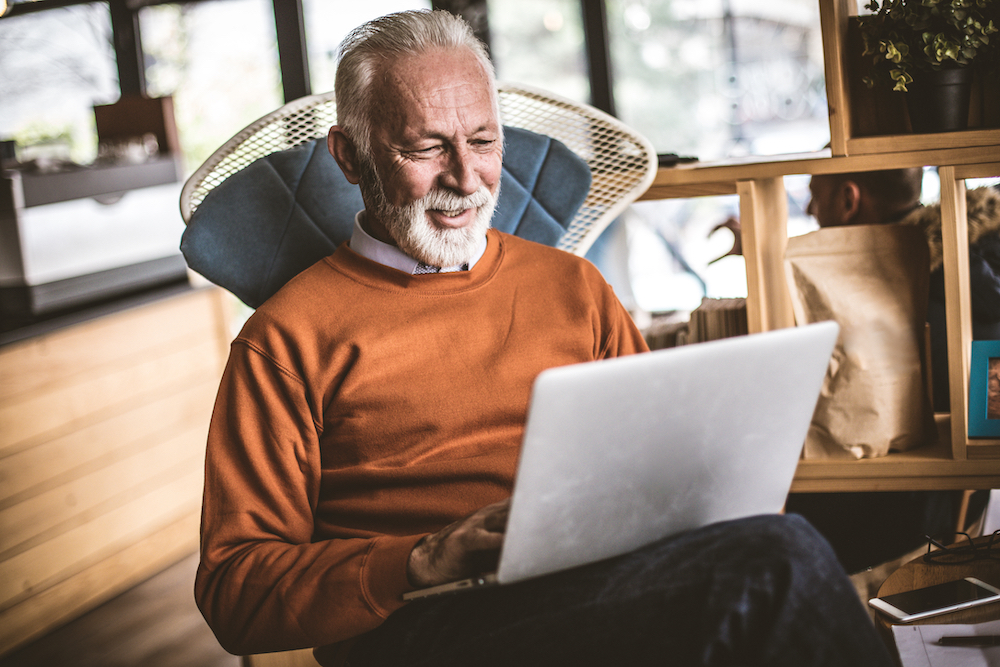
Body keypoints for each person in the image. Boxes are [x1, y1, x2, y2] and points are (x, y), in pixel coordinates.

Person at [195, 10, 894, 667]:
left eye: (483, 141)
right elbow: (235, 590)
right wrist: (422, 556)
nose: (466, 179)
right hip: (424, 626)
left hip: (602, 586)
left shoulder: (573, 287)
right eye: (425, 147)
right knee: (778, 562)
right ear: (350, 157)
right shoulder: (284, 339)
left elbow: (661, 463)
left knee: (783, 549)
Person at [775, 169, 999, 580]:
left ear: (848, 200)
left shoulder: (882, 290)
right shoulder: (971, 265)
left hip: (890, 525)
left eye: (814, 196)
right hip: (964, 519)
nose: (808, 209)